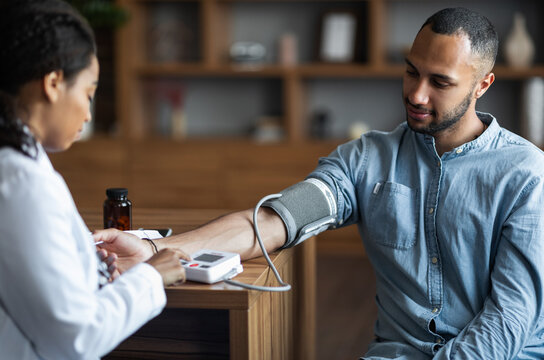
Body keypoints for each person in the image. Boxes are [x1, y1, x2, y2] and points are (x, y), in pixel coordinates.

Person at [94, 7, 544, 359]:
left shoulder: (526, 174)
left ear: (482, 84)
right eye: (411, 72)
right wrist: (155, 251)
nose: (416, 94)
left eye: (440, 82)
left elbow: (509, 318)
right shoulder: (367, 159)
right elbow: (271, 222)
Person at [0, 1, 191, 359]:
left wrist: (81, 263)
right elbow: (76, 339)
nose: (88, 113)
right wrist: (151, 276)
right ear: (54, 83)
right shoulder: (20, 183)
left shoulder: (21, 165)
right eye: (88, 93)